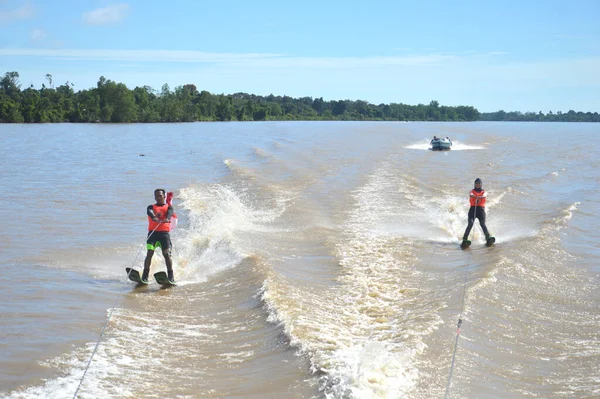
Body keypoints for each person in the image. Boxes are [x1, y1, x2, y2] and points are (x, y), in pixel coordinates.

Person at [142, 188, 175, 284]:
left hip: (164, 235)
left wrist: (167, 219)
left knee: (166, 255)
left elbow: (169, 214)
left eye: (160, 196)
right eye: (156, 196)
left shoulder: (169, 207)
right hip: (153, 234)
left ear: (164, 196)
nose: (158, 197)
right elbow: (150, 213)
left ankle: (171, 277)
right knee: (149, 253)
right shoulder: (150, 207)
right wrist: (155, 218)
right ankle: (145, 276)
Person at [461, 178, 492, 246]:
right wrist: (473, 196)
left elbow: (485, 195)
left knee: (482, 224)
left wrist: (481, 197)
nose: (478, 185)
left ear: (481, 184)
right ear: (475, 184)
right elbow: (471, 194)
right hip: (472, 210)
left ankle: (488, 237)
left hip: (481, 210)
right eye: (476, 183)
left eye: (479, 183)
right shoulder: (471, 191)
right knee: (470, 223)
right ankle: (465, 238)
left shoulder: (484, 192)